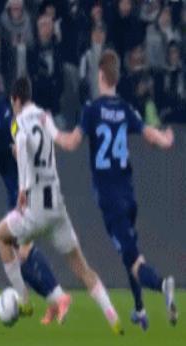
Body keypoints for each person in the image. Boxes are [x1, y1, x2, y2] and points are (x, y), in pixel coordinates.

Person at [49, 49, 177, 330]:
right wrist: (166, 140)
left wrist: (50, 130)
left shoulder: (92, 110)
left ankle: (162, 285)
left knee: (133, 259)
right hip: (128, 194)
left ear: (100, 76)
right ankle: (140, 309)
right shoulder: (125, 109)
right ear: (117, 77)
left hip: (110, 198)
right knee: (129, 251)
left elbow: (71, 143)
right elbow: (149, 135)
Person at [0, 76, 123, 335]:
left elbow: (23, 145)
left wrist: (22, 189)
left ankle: (24, 299)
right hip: (56, 207)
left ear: (16, 100)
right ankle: (112, 316)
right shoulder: (44, 117)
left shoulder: (17, 123)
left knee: (1, 235)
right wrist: (73, 139)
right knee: (81, 268)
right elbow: (60, 141)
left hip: (34, 209)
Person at [0, 61, 71, 325]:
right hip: (14, 191)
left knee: (20, 251)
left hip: (25, 189)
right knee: (18, 252)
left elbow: (22, 138)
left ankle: (52, 298)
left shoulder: (6, 114)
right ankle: (50, 300)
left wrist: (18, 151)